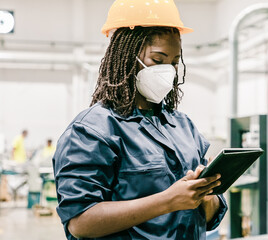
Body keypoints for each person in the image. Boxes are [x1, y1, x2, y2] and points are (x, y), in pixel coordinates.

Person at [53, 0, 228, 239]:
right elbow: (80, 222)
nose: (168, 71)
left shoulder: (183, 127)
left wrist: (205, 197)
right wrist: (168, 201)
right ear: (125, 56)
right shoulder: (93, 131)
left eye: (175, 63)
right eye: (158, 60)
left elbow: (208, 216)